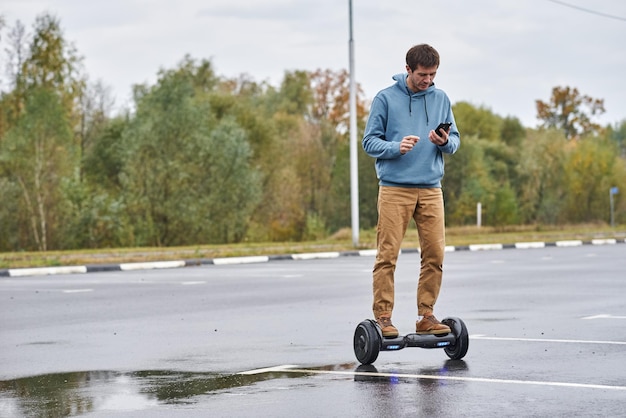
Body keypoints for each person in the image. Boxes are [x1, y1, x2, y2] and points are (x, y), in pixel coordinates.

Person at [362, 43, 460, 338]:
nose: (427, 80)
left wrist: (443, 141)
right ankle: (383, 317)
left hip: (431, 188)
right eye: (422, 75)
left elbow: (454, 142)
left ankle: (425, 315)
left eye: (432, 74)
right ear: (408, 70)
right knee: (387, 254)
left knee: (435, 254)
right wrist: (395, 146)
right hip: (394, 189)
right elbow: (369, 142)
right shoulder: (385, 99)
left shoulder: (441, 98)